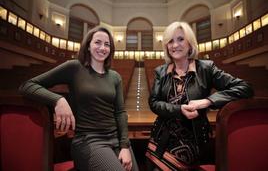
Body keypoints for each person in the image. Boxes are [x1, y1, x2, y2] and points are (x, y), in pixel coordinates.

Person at [19, 27, 139, 171]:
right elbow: (27, 85)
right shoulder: (74, 68)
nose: (102, 48)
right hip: (89, 141)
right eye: (97, 42)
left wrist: (125, 146)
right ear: (88, 46)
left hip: (116, 139)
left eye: (107, 44)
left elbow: (120, 113)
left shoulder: (115, 77)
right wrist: (58, 100)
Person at [146, 21, 254, 170]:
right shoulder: (161, 71)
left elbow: (245, 88)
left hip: (193, 140)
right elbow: (154, 103)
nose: (175, 45)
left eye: (180, 39)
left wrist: (207, 101)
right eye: (170, 41)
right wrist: (179, 110)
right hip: (161, 139)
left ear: (190, 44)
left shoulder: (206, 68)